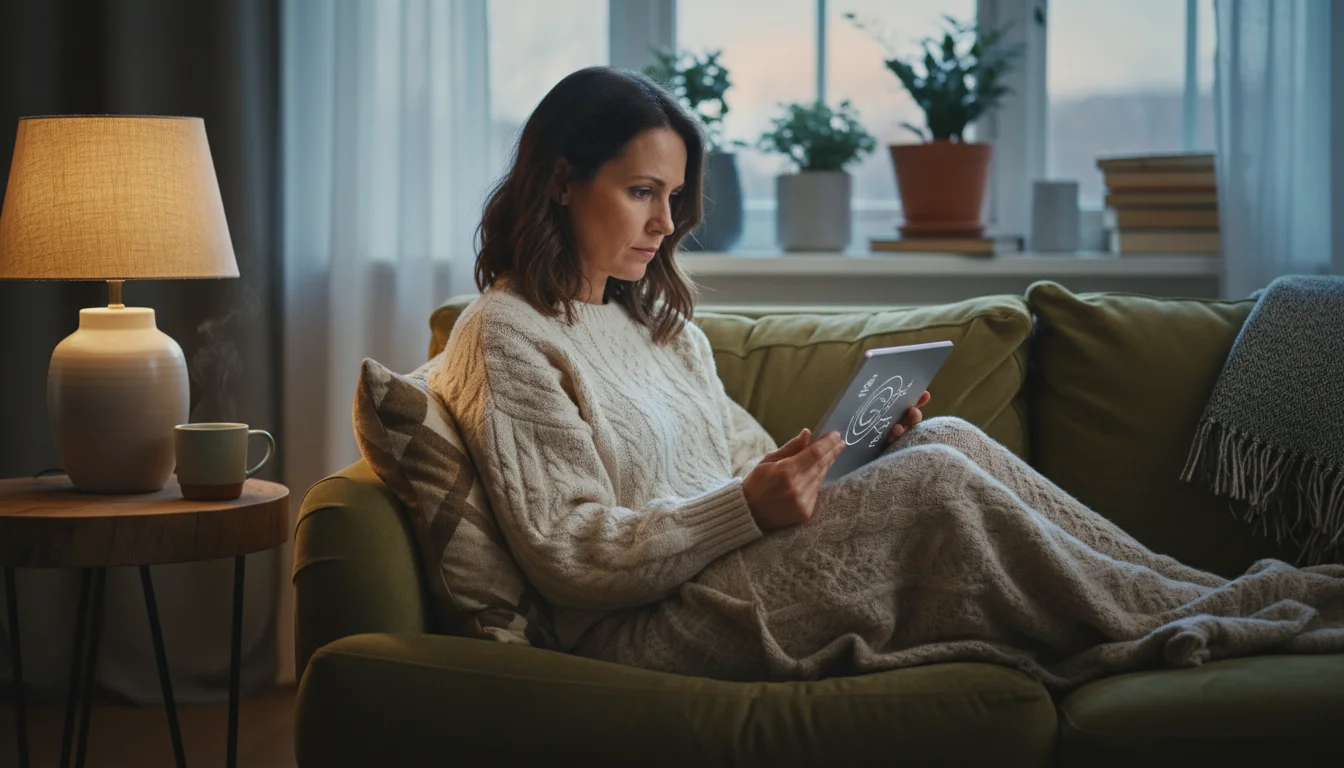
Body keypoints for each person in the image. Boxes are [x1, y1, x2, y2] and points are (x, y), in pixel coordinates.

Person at [429, 66, 1344, 691]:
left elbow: (749, 463)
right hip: (644, 626)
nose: (667, 222)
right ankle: (1234, 607)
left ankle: (1214, 595)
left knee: (942, 442)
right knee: (937, 483)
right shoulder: (503, 335)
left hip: (721, 569)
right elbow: (571, 553)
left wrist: (842, 459)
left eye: (674, 196)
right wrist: (745, 508)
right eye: (641, 192)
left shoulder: (660, 329)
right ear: (557, 183)